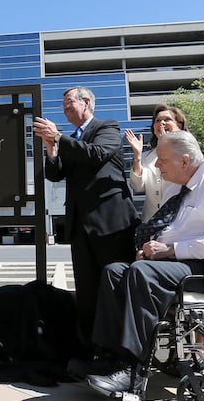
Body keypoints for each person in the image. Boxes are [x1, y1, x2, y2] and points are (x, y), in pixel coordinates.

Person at [86, 130, 204, 395]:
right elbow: (171, 229)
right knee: (114, 271)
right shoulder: (178, 189)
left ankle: (132, 369)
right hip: (177, 263)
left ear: (184, 161)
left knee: (142, 273)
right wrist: (150, 249)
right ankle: (107, 357)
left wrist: (171, 250)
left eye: (161, 160)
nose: (157, 165)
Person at [32, 86, 138, 346]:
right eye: (64, 105)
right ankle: (92, 350)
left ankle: (120, 350)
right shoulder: (70, 140)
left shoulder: (107, 128)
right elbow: (55, 174)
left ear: (87, 101)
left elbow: (97, 155)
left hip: (111, 225)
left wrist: (59, 138)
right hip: (80, 227)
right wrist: (51, 148)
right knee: (87, 290)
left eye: (69, 103)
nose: (65, 109)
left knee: (114, 288)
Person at [125, 104, 188, 221]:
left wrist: (168, 144)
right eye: (157, 121)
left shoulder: (188, 151)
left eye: (167, 120)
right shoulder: (147, 156)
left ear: (179, 125)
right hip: (150, 222)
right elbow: (137, 187)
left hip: (179, 221)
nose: (161, 123)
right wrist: (137, 156)